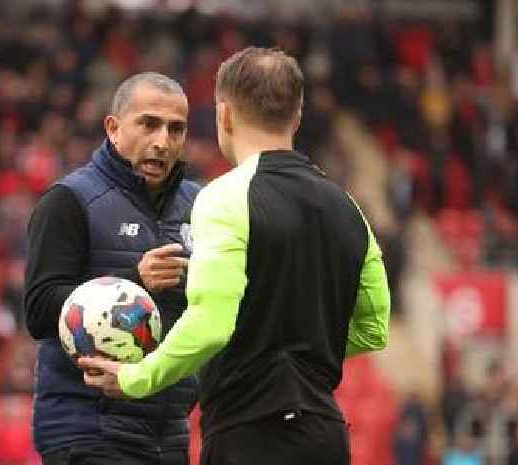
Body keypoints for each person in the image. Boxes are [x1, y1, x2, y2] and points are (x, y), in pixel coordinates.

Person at [79, 47, 391, 465]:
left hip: (251, 434)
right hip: (326, 436)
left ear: (223, 114)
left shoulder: (224, 198)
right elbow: (373, 328)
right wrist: (294, 348)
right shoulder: (349, 208)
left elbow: (211, 327)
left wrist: (137, 378)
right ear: (297, 117)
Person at [24, 72, 200, 465]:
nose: (162, 141)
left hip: (168, 434)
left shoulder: (200, 207)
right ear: (114, 128)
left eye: (176, 129)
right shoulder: (68, 201)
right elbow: (38, 312)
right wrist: (135, 282)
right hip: (88, 431)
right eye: (149, 124)